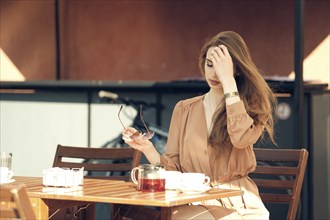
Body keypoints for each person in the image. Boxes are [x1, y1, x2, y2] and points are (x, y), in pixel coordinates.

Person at [122, 31, 276, 219]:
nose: (213, 73)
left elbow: (241, 138)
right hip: (196, 201)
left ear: (236, 69)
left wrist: (228, 82)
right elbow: (175, 172)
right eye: (209, 65)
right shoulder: (184, 109)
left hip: (240, 203)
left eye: (221, 68)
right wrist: (148, 148)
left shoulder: (252, 106)